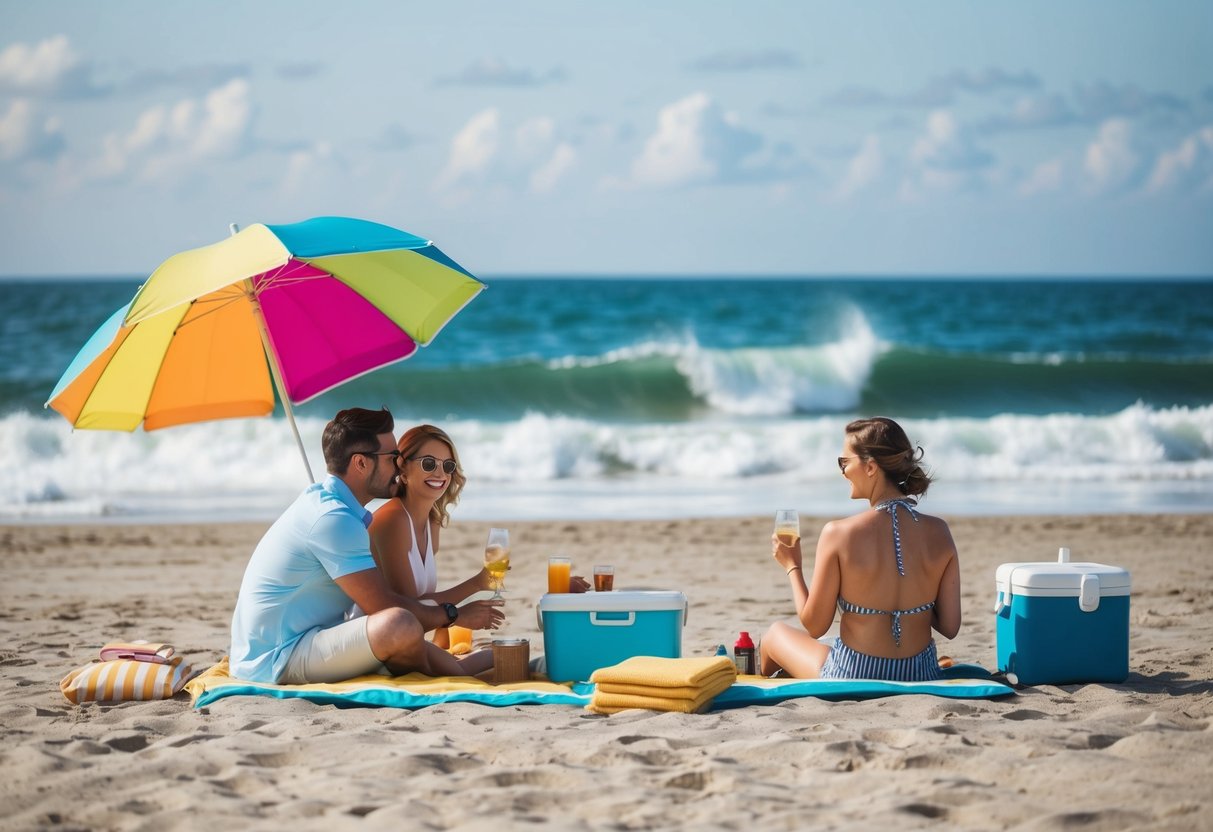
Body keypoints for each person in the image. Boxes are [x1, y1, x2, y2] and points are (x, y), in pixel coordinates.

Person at [229, 408, 504, 684]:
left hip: (304, 639)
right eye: (392, 457)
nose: (399, 465)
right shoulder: (332, 519)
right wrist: (452, 615)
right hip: (276, 658)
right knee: (398, 623)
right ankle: (453, 671)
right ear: (360, 463)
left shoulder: (334, 510)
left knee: (400, 624)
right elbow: (383, 605)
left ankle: (455, 667)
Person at [759, 417, 960, 681]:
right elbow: (949, 626)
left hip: (854, 673)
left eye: (844, 462)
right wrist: (913, 592)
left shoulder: (839, 534)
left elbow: (815, 625)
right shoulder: (939, 532)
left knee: (775, 634)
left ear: (871, 467)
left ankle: (756, 677)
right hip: (919, 672)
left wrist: (792, 565)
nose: (842, 471)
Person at [367, 425, 587, 653]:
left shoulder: (432, 521)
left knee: (502, 656)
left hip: (402, 641)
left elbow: (423, 608)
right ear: (403, 469)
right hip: (375, 640)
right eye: (429, 464)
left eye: (448, 466)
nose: (440, 474)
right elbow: (411, 610)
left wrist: (555, 592)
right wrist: (471, 593)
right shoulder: (394, 520)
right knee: (500, 659)